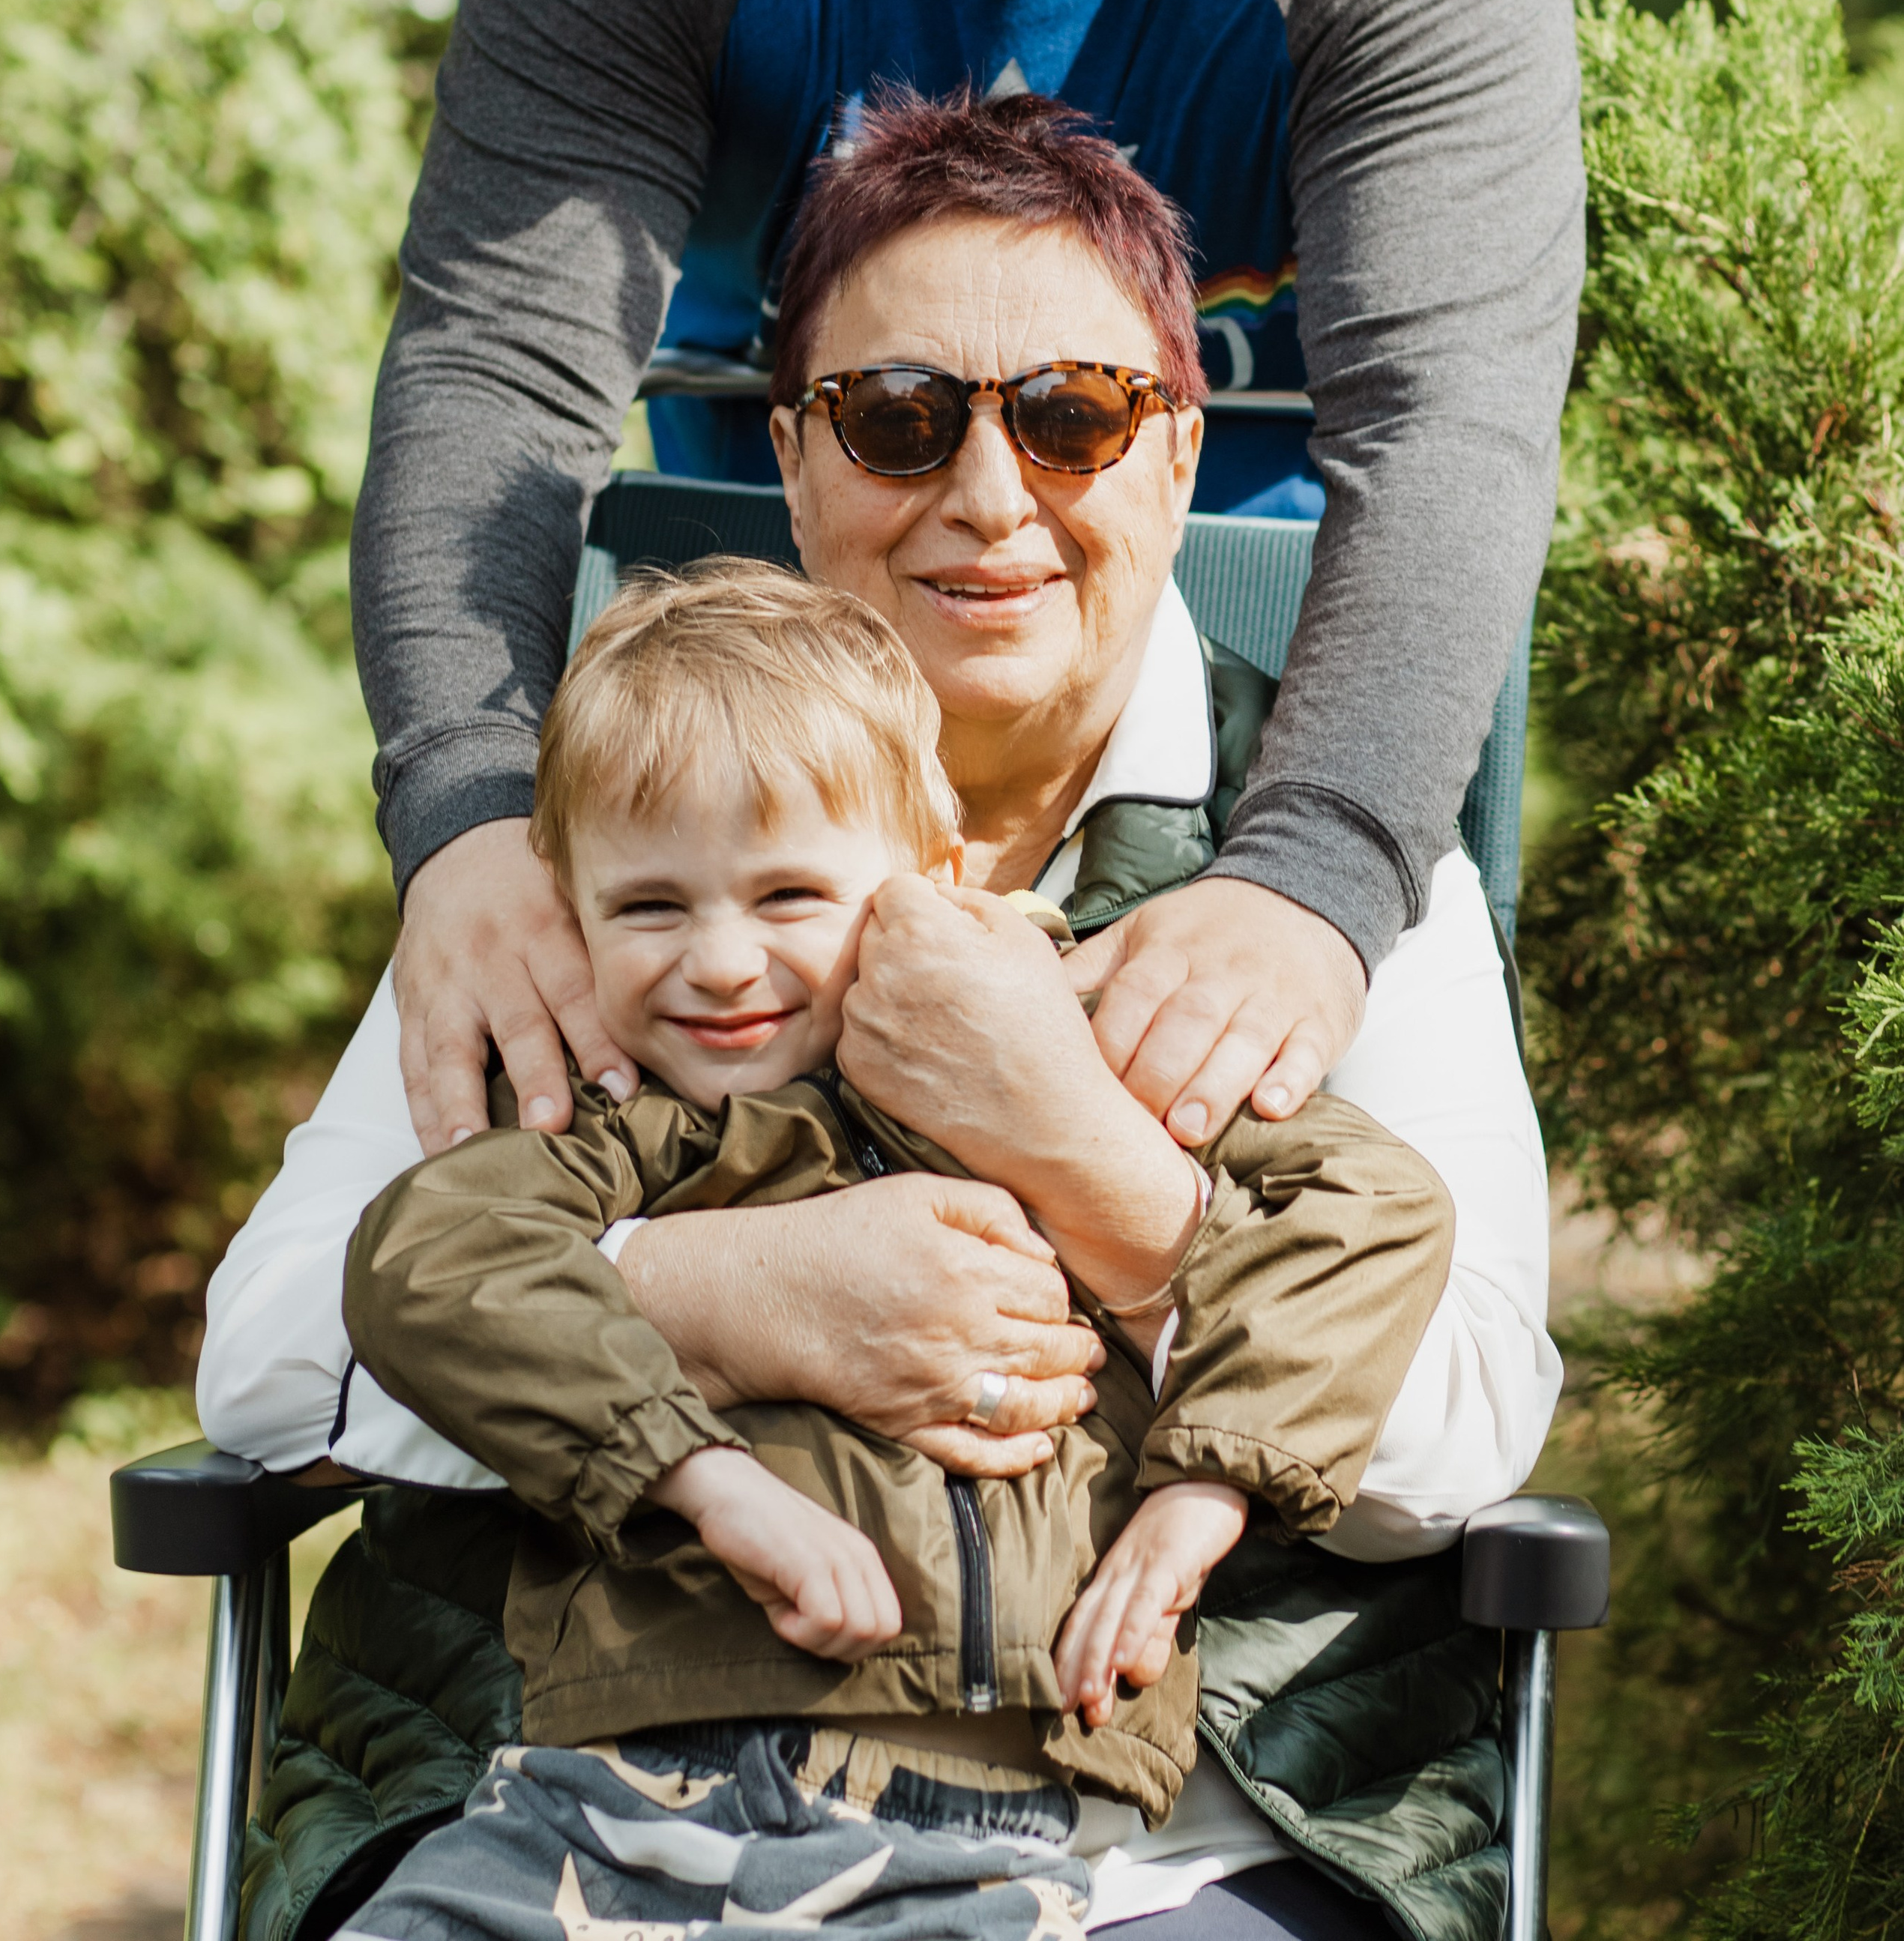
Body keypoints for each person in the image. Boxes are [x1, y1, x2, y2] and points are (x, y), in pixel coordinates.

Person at [200, 94, 1559, 1941]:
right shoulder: (600, 847)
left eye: (1075, 415)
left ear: (1178, 456)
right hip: (555, 1806)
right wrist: (706, 1295)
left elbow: (1465, 1430)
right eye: (898, 417)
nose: (988, 495)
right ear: (791, 457)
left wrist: (1082, 1159)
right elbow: (272, 1362)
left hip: (1164, 1845)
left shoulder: (1325, 862)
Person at [355, 0, 1584, 1200]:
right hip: (759, 701)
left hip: (1244, 699)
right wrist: (473, 821)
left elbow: (1449, 421)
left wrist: (1313, 870)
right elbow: (496, 369)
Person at [328, 558, 1452, 1941]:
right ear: (570, 909)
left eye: (791, 895)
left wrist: (1199, 1501)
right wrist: (703, 1481)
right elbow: (423, 1256)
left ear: (930, 881)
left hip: (969, 1826)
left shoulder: (1066, 1057)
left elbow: (1368, 1209)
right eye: (651, 907)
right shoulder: (620, 1126)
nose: (720, 962)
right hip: (597, 1796)